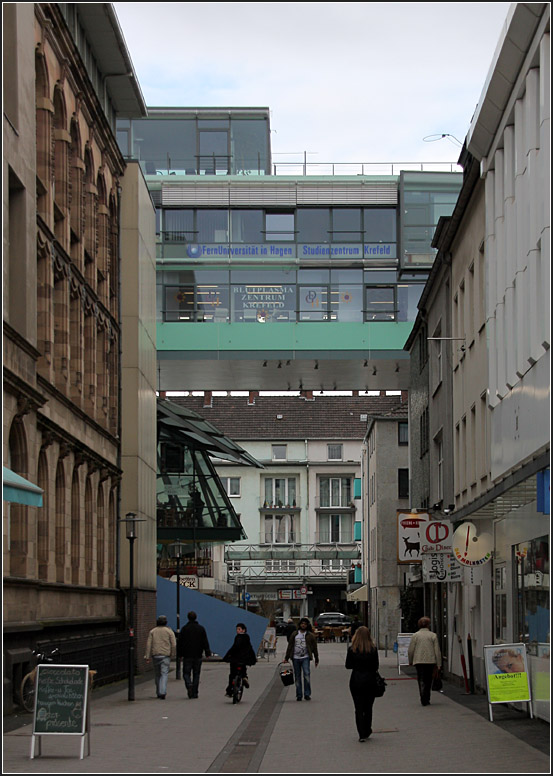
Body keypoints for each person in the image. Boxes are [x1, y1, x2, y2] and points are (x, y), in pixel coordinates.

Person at [345, 626, 379, 742]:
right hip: (370, 680)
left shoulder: (352, 649)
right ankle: (367, 728)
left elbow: (348, 665)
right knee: (368, 707)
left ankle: (361, 733)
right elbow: (376, 666)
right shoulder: (373, 649)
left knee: (358, 708)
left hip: (356, 680)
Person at [177, 611, 211, 698]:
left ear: (188, 618)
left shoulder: (184, 629)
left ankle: (189, 685)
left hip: (187, 655)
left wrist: (179, 654)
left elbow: (180, 642)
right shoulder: (201, 629)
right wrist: (207, 652)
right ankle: (195, 692)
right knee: (196, 674)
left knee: (186, 673)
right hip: (198, 654)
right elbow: (205, 641)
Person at [408, 616, 441, 706]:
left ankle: (422, 695)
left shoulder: (415, 636)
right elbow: (437, 650)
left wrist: (410, 660)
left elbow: (411, 650)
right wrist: (439, 663)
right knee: (429, 679)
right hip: (430, 661)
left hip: (418, 661)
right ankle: (427, 696)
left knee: (421, 678)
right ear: (428, 625)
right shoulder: (433, 635)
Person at [284, 617, 319, 701]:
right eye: (302, 624)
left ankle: (307, 693)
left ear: (307, 625)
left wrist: (316, 658)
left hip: (305, 657)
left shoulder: (310, 635)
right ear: (299, 625)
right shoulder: (295, 634)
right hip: (295, 658)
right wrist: (286, 657)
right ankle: (299, 694)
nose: (303, 625)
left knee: (306, 674)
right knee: (297, 676)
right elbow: (290, 646)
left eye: (305, 624)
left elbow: (314, 647)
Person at [144, 614, 176, 699]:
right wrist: (172, 654)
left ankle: (158, 691)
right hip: (165, 655)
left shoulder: (153, 631)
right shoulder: (169, 631)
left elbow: (148, 644)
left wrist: (147, 656)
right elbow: (174, 644)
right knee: (164, 674)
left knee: (157, 674)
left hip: (156, 655)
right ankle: (162, 691)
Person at [223, 623, 257, 696]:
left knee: (232, 674)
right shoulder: (247, 637)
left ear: (243, 630)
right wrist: (253, 659)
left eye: (239, 629)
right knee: (243, 669)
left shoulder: (237, 637)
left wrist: (226, 656)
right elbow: (250, 648)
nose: (237, 631)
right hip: (244, 659)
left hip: (235, 659)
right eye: (237, 629)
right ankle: (244, 677)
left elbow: (234, 648)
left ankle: (230, 689)